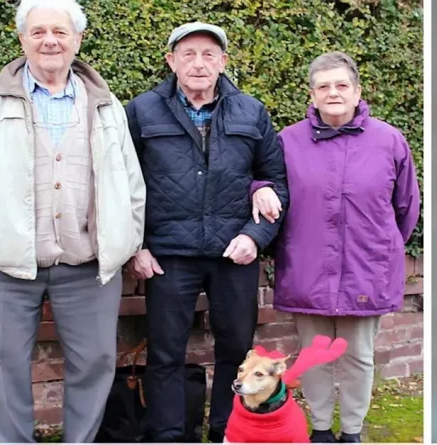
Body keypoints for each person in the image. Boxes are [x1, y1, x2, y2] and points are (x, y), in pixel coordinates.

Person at [0, 0, 146, 441]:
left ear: (77, 40)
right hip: (3, 264)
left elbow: (131, 181)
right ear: (22, 39)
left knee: (95, 363)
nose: (49, 40)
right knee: (1, 364)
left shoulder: (107, 104)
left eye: (60, 31)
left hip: (87, 266)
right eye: (38, 31)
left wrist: (125, 238)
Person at [124, 22, 289, 443]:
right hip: (167, 255)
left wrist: (255, 236)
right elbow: (120, 182)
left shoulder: (251, 112)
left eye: (209, 54)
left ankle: (226, 432)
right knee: (164, 354)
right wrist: (135, 246)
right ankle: (168, 435)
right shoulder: (142, 111)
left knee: (236, 352)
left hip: (235, 252)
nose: (199, 63)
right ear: (171, 60)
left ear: (223, 62)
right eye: (189, 53)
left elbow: (275, 179)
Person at [251, 51, 421, 443]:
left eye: (341, 85)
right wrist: (258, 189)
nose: (333, 93)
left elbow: (406, 207)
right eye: (323, 86)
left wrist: (380, 248)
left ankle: (353, 431)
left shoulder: (389, 140)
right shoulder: (288, 141)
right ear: (311, 95)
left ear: (357, 91)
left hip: (367, 270)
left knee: (358, 356)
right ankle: (322, 429)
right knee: (314, 355)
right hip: (307, 266)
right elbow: (264, 181)